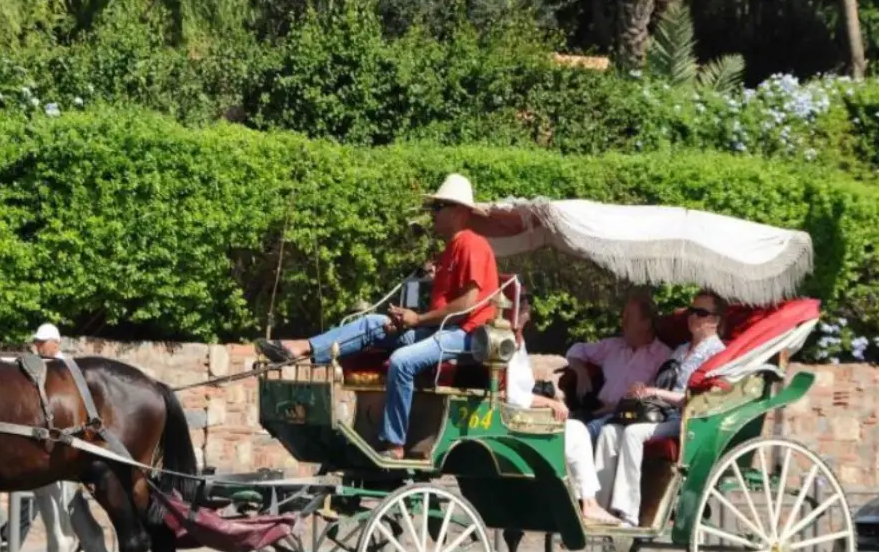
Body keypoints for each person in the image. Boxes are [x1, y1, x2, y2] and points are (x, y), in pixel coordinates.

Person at [254, 174, 500, 460]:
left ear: (458, 211)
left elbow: (467, 305)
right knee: (374, 323)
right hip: (441, 329)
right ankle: (302, 349)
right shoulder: (448, 251)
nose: (432, 214)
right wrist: (406, 319)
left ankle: (395, 443)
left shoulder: (472, 244)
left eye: (438, 207)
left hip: (468, 335)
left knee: (403, 361)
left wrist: (417, 320)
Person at [594, 290, 729, 527]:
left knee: (633, 433)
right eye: (691, 311)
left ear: (715, 320)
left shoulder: (716, 354)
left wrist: (655, 392)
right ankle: (598, 508)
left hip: (687, 419)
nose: (693, 317)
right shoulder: (681, 350)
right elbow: (662, 385)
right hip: (660, 413)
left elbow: (697, 399)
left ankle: (628, 513)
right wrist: (644, 390)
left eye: (701, 313)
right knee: (609, 431)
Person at [504, 291, 621, 525]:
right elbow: (513, 395)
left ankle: (581, 501)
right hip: (515, 420)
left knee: (577, 426)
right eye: (523, 303)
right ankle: (589, 504)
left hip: (519, 414)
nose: (528, 308)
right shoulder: (506, 343)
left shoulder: (516, 341)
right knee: (577, 431)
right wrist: (549, 402)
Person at [0, 322, 82, 552]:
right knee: (46, 498)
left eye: (41, 342)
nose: (37, 346)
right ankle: (9, 536)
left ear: (55, 344)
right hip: (44, 443)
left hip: (62, 446)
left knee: (52, 499)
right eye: (36, 342)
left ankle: (10, 538)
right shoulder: (40, 365)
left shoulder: (66, 371)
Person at [564, 292, 673, 442]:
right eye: (623, 316)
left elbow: (659, 399)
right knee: (564, 427)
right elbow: (576, 350)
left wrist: (619, 406)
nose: (623, 321)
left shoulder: (663, 356)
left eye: (629, 316)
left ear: (646, 323)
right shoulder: (613, 346)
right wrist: (581, 371)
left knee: (582, 434)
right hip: (595, 410)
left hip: (627, 417)